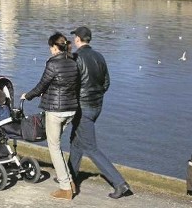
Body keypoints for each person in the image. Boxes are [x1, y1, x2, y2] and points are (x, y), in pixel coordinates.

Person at [67, 26, 132, 199]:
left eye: (75, 37)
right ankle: (69, 177)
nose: (74, 40)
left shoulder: (76, 57)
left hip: (83, 108)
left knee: (90, 147)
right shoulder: (99, 56)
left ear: (79, 39)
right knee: (76, 142)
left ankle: (120, 183)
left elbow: (72, 85)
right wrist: (96, 96)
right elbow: (106, 83)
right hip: (97, 107)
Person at [21, 32, 79, 200]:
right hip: (71, 110)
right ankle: (70, 182)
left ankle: (65, 188)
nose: (50, 50)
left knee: (53, 147)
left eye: (51, 47)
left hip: (56, 111)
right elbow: (66, 85)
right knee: (58, 145)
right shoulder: (73, 62)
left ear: (55, 47)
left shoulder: (53, 64)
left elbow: (42, 85)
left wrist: (28, 95)